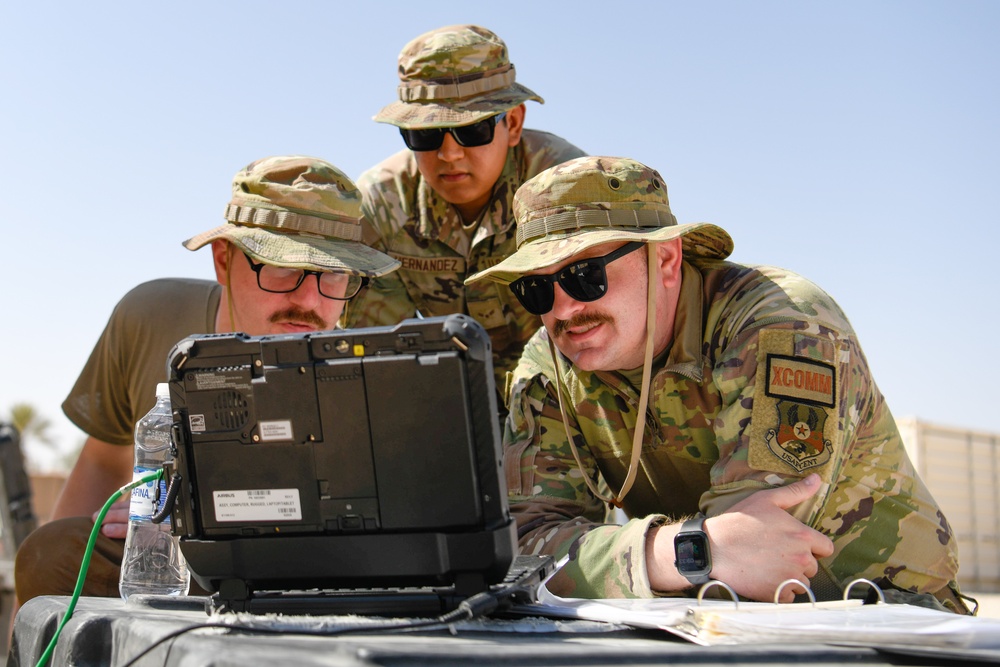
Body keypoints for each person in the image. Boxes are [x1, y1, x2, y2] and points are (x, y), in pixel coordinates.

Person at [465, 155, 970, 613]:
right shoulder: (548, 363)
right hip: (702, 616)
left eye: (584, 276)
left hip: (884, 613)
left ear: (664, 260)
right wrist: (680, 552)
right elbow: (524, 549)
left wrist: (656, 559)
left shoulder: (780, 323)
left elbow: (757, 547)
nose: (563, 309)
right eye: (535, 288)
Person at [14, 156, 399, 603]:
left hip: (315, 573)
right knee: (52, 555)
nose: (309, 300)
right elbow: (102, 462)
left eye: (333, 273)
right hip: (175, 565)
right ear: (224, 261)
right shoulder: (150, 318)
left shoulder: (368, 370)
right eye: (283, 267)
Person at [343, 24, 586, 390]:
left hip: (567, 394)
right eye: (425, 134)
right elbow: (379, 356)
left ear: (514, 123)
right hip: (450, 397)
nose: (449, 153)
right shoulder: (381, 207)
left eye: (473, 129)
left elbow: (601, 330)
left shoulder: (566, 187)